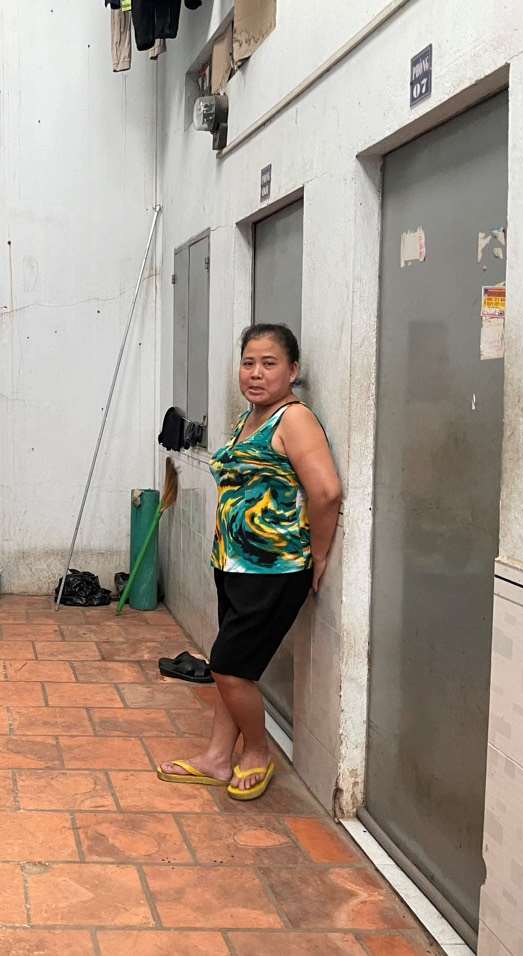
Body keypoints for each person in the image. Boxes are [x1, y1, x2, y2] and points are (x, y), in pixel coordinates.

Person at [158, 323, 342, 801]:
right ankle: (219, 758)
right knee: (232, 664)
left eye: (269, 363)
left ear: (293, 370)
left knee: (229, 667)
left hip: (274, 570)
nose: (256, 373)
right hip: (235, 565)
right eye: (248, 363)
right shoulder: (250, 419)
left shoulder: (293, 419)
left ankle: (257, 753)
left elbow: (326, 491)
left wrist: (318, 553)